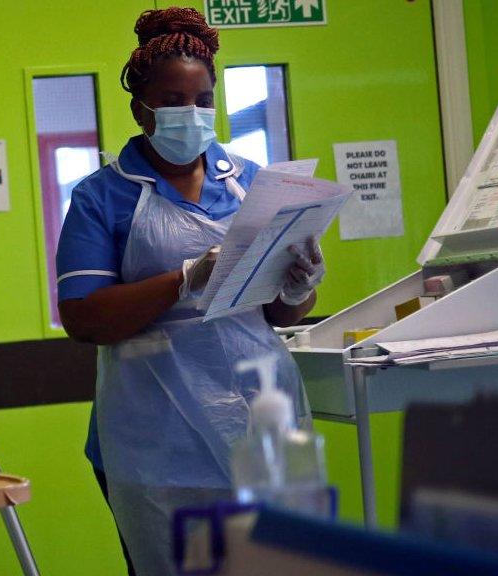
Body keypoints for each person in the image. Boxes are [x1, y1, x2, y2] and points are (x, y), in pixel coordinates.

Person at [55, 7, 323, 576]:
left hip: (261, 424)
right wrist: (183, 278)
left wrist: (298, 285)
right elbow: (84, 318)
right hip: (155, 437)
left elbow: (276, 312)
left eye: (203, 101)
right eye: (174, 101)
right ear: (140, 108)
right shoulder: (102, 197)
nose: (192, 114)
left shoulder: (252, 182)